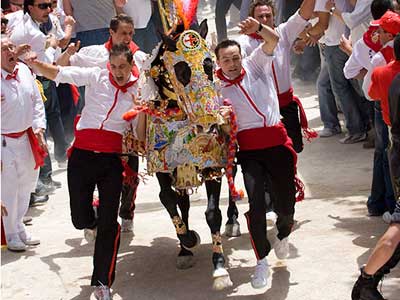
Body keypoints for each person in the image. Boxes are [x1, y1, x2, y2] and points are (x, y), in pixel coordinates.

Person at [25, 43, 146, 300]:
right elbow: (59, 73)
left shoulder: (139, 89)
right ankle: (91, 220)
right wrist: (34, 64)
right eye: (113, 67)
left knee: (108, 224)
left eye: (122, 67)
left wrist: (141, 110)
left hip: (112, 162)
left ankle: (102, 283)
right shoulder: (96, 74)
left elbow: (140, 136)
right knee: (80, 219)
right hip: (81, 156)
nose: (117, 72)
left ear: (131, 64)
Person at [215, 16, 301, 289]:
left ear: (241, 56)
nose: (231, 64)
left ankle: (283, 233)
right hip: (250, 152)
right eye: (225, 60)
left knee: (286, 206)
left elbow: (273, 40)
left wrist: (259, 29)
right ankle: (261, 261)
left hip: (277, 143)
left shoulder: (255, 63)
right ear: (218, 63)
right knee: (256, 205)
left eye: (234, 58)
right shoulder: (215, 90)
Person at [57, 14, 147, 233]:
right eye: (123, 33)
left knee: (130, 174)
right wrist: (67, 53)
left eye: (131, 33)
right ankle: (96, 217)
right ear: (111, 33)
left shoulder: (141, 58)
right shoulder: (93, 53)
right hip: (96, 124)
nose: (128, 38)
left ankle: (126, 213)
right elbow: (61, 68)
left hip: (126, 128)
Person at [351, 33, 400, 300]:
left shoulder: (389, 76)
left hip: (397, 153)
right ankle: (366, 282)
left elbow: (370, 92)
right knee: (397, 230)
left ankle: (368, 282)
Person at [1, 36, 47, 252]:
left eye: (11, 46)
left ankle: (19, 226)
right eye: (4, 49)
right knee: (8, 188)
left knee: (27, 184)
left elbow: (37, 102)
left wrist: (39, 127)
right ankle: (10, 234)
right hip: (4, 142)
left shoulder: (25, 71)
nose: (10, 51)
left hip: (27, 137)